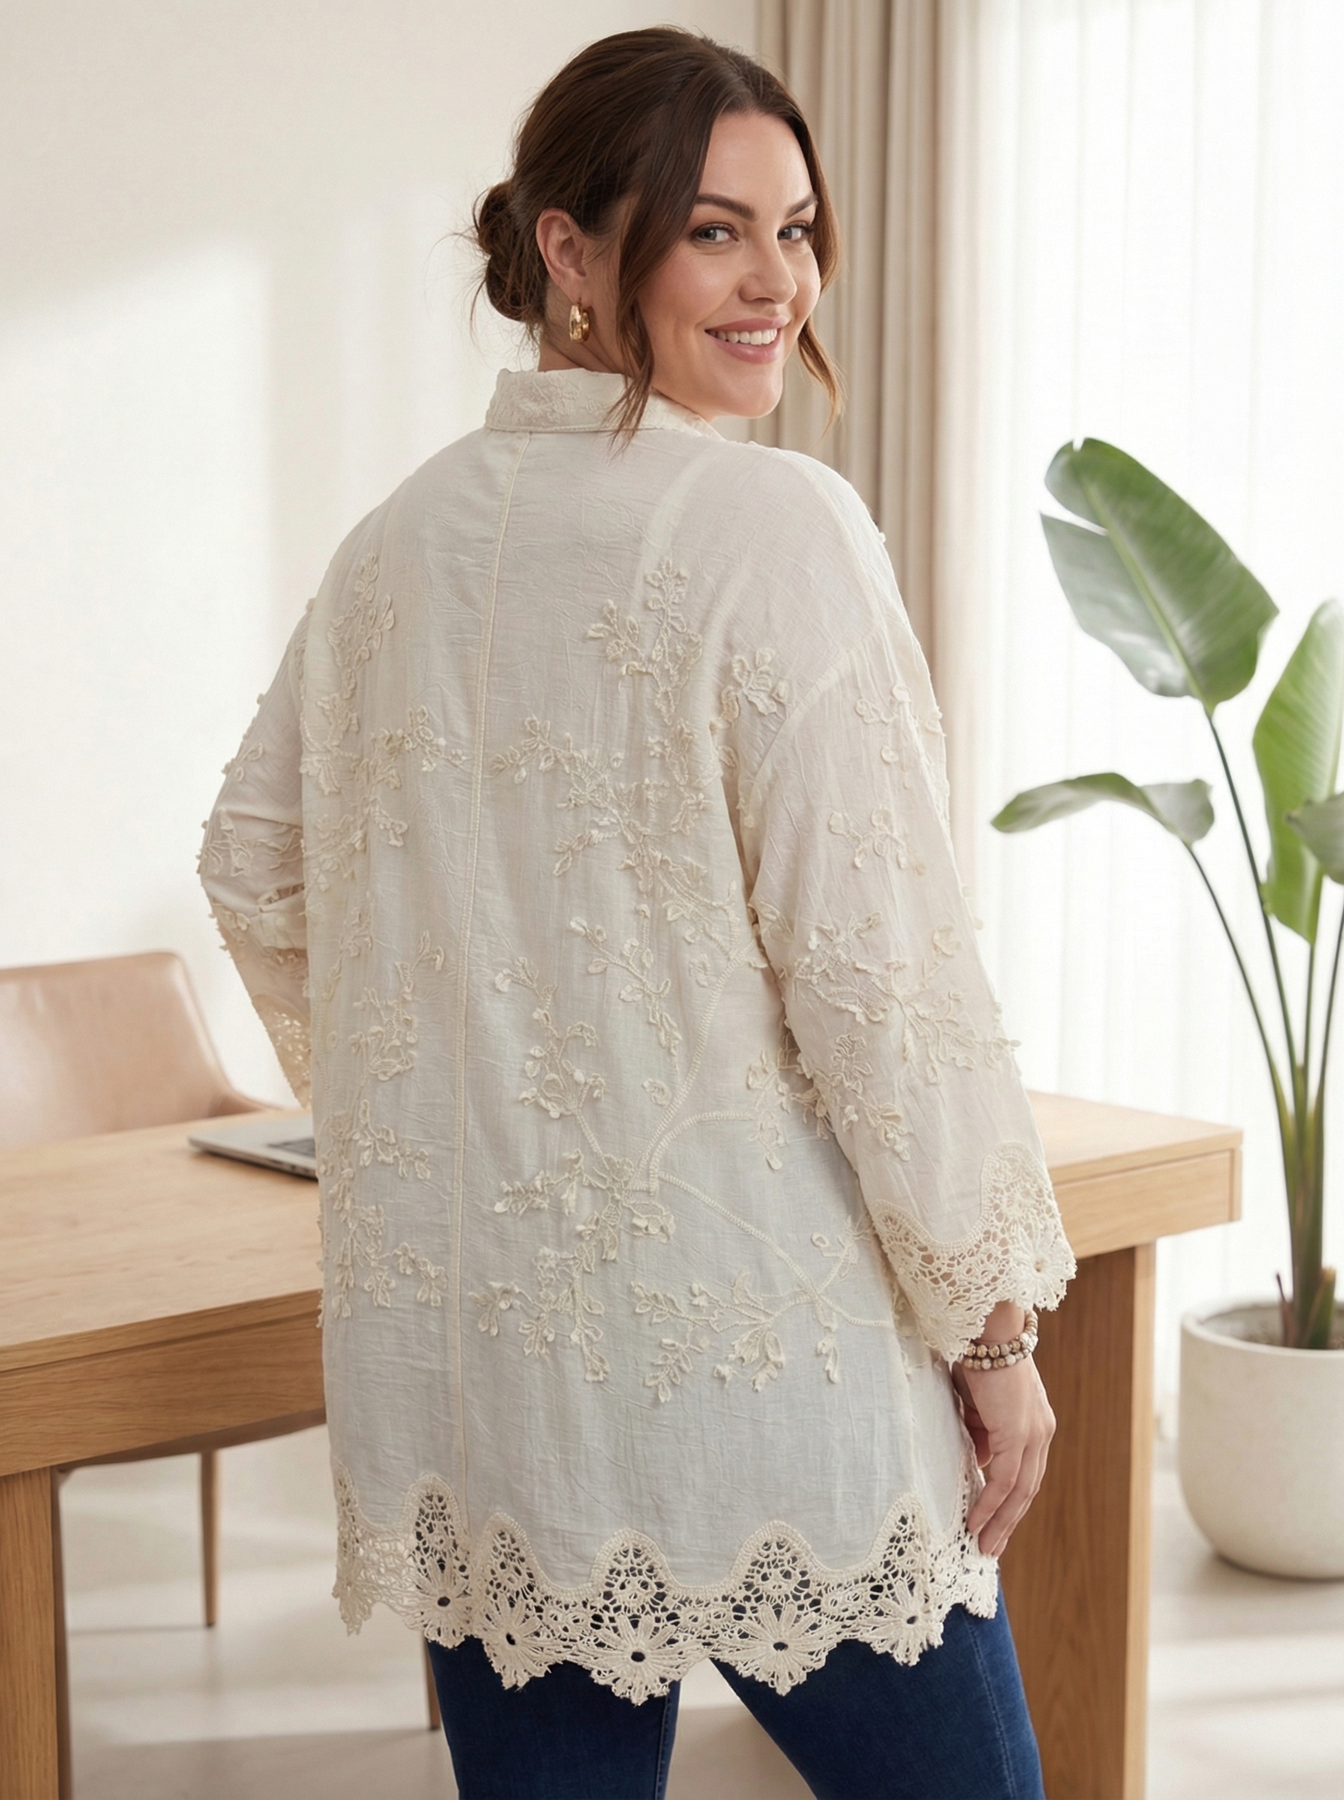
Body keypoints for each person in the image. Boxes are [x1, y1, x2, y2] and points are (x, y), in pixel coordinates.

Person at [200, 26, 1074, 1800]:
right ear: (571, 249)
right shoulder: (775, 527)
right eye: (714, 231)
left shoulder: (394, 545)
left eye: (795, 230)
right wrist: (992, 1334)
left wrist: (432, 1105)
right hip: (764, 1363)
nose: (778, 283)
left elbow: (252, 867)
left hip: (490, 1388)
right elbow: (881, 978)